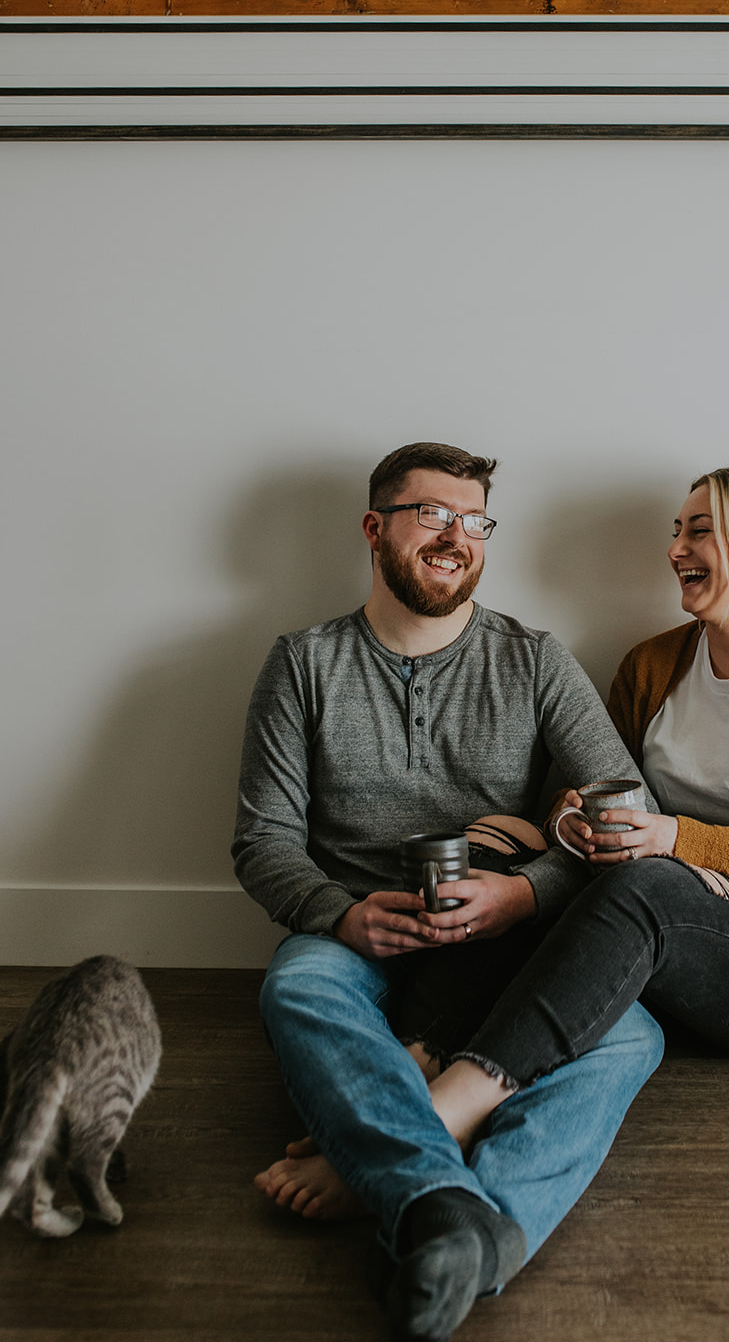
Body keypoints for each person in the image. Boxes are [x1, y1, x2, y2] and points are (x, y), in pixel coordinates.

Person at [232, 441, 663, 1342]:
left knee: (628, 1035)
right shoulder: (304, 663)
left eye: (473, 521)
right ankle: (440, 1198)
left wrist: (527, 897)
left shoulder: (535, 659)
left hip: (501, 937)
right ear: (374, 528)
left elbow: (628, 814)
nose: (454, 536)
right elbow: (262, 841)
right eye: (431, 514)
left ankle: (440, 1201)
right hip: (354, 933)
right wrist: (337, 915)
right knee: (296, 987)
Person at [426, 462, 729, 1153]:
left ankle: (444, 1111)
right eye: (675, 532)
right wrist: (567, 822)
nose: (673, 551)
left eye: (699, 531)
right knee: (495, 842)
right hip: (676, 931)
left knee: (650, 886)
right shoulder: (650, 667)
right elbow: (572, 796)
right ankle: (417, 1056)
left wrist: (678, 843)